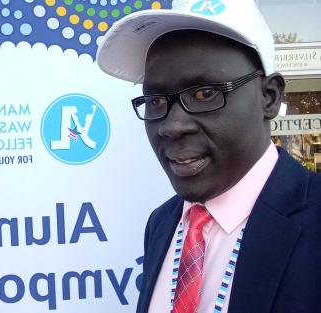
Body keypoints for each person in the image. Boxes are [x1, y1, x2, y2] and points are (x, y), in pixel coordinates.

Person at [97, 0, 321, 312]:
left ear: (269, 97)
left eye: (205, 94)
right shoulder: (162, 223)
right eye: (156, 100)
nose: (173, 127)